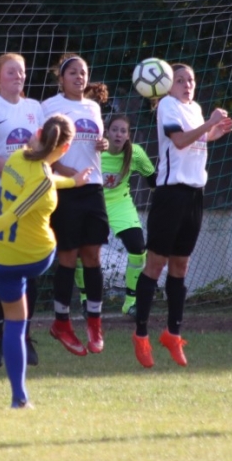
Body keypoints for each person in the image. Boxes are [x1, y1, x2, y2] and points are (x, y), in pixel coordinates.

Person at [0, 114, 92, 409]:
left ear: (37, 133)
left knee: (13, 324)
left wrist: (72, 181)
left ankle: (19, 398)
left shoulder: (15, 159)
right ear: (64, 148)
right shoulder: (43, 181)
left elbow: (42, 183)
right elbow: (22, 206)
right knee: (18, 322)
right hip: (34, 258)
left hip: (1, 255)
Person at [132, 63, 232, 368]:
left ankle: (172, 334)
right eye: (180, 80)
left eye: (191, 79)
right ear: (167, 85)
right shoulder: (167, 105)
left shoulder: (195, 108)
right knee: (155, 265)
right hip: (170, 195)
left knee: (181, 266)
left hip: (194, 195)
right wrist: (208, 124)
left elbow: (195, 140)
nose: (187, 84)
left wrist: (213, 132)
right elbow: (178, 140)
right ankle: (140, 335)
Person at [0, 53, 44, 368]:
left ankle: (24, 334)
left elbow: (45, 147)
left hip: (31, 199)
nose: (18, 76)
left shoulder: (35, 108)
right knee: (0, 267)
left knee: (33, 266)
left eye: (22, 72)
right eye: (11, 72)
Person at [40, 54, 109, 356]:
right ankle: (61, 323)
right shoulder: (49, 107)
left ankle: (94, 323)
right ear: (61, 78)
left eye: (83, 72)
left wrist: (104, 144)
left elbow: (94, 144)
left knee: (92, 255)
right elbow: (42, 149)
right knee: (68, 256)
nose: (79, 77)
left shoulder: (93, 107)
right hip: (66, 188)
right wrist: (63, 170)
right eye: (73, 73)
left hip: (92, 187)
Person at [75, 113, 156, 317]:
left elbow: (153, 180)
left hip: (120, 204)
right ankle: (85, 299)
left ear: (128, 135)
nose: (118, 134)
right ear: (107, 132)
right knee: (81, 252)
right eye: (115, 130)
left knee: (138, 249)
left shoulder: (136, 153)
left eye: (123, 131)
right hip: (94, 203)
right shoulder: (95, 150)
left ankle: (131, 303)